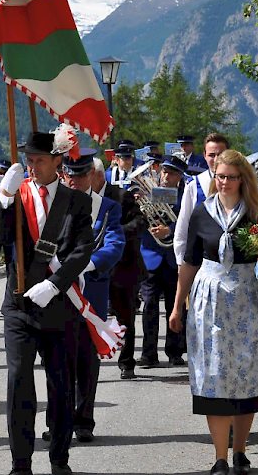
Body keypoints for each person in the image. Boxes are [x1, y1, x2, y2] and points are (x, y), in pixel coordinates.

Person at [169, 150, 258, 475]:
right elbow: (189, 263)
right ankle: (220, 457)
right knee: (213, 376)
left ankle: (239, 451)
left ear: (244, 179)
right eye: (220, 176)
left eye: (231, 177)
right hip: (208, 302)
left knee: (246, 375)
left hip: (248, 302)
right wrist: (176, 306)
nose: (224, 182)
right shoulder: (202, 212)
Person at [0, 131, 94, 475]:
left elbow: (83, 249)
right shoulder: (19, 196)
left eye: (39, 160)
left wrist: (54, 284)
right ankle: (20, 462)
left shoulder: (77, 200)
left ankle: (59, 458)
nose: (32, 166)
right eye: (28, 160)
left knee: (61, 383)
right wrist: (5, 200)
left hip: (60, 304)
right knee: (18, 381)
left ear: (57, 161)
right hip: (19, 304)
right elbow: (3, 238)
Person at [61, 149, 125, 442]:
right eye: (69, 174)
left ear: (93, 176)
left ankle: (84, 419)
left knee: (87, 357)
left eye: (81, 174)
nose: (74, 180)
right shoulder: (52, 204)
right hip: (58, 291)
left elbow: (114, 244)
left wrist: (87, 263)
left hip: (90, 292)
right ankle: (59, 419)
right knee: (58, 359)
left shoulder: (108, 207)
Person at [92, 157, 147, 380]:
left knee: (125, 318)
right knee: (91, 315)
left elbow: (140, 223)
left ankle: (126, 362)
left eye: (84, 175)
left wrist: (114, 232)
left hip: (122, 268)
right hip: (93, 267)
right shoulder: (78, 198)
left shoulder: (121, 196)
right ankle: (89, 359)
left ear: (96, 175)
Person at [138, 155, 187, 368]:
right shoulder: (150, 192)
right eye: (164, 172)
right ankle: (148, 354)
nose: (166, 177)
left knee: (173, 305)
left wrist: (170, 230)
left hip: (173, 257)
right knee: (149, 305)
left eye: (172, 173)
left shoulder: (186, 195)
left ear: (179, 177)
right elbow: (141, 219)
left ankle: (175, 351)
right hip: (150, 254)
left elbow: (188, 221)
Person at [174, 133, 230, 266]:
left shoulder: (240, 184)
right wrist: (180, 261)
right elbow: (183, 224)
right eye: (211, 155)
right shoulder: (194, 185)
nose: (216, 159)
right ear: (204, 156)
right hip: (200, 261)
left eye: (221, 154)